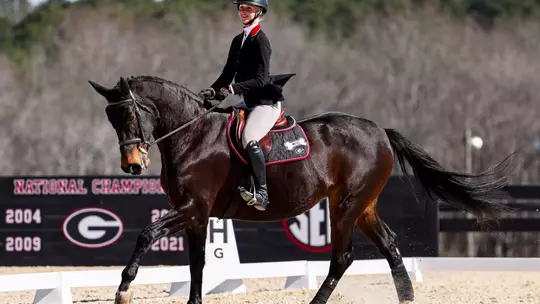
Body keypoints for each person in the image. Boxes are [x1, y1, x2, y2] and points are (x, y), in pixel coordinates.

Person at [198, 0, 281, 212]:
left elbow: (261, 79)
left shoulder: (261, 40)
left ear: (258, 11)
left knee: (248, 138)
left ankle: (262, 193)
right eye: (241, 8)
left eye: (248, 8)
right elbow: (227, 74)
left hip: (266, 103)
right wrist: (213, 90)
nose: (243, 12)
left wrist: (233, 90)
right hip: (249, 103)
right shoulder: (238, 40)